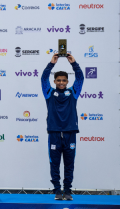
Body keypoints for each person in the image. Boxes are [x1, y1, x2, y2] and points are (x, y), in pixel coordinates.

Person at [41, 53, 84, 201]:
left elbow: (80, 78)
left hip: (70, 133)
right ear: (54, 81)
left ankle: (68, 190)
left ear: (67, 81)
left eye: (64, 80)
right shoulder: (49, 92)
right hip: (54, 133)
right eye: (58, 80)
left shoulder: (73, 92)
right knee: (54, 164)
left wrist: (74, 63)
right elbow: (43, 79)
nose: (61, 82)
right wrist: (51, 64)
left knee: (69, 164)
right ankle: (57, 191)